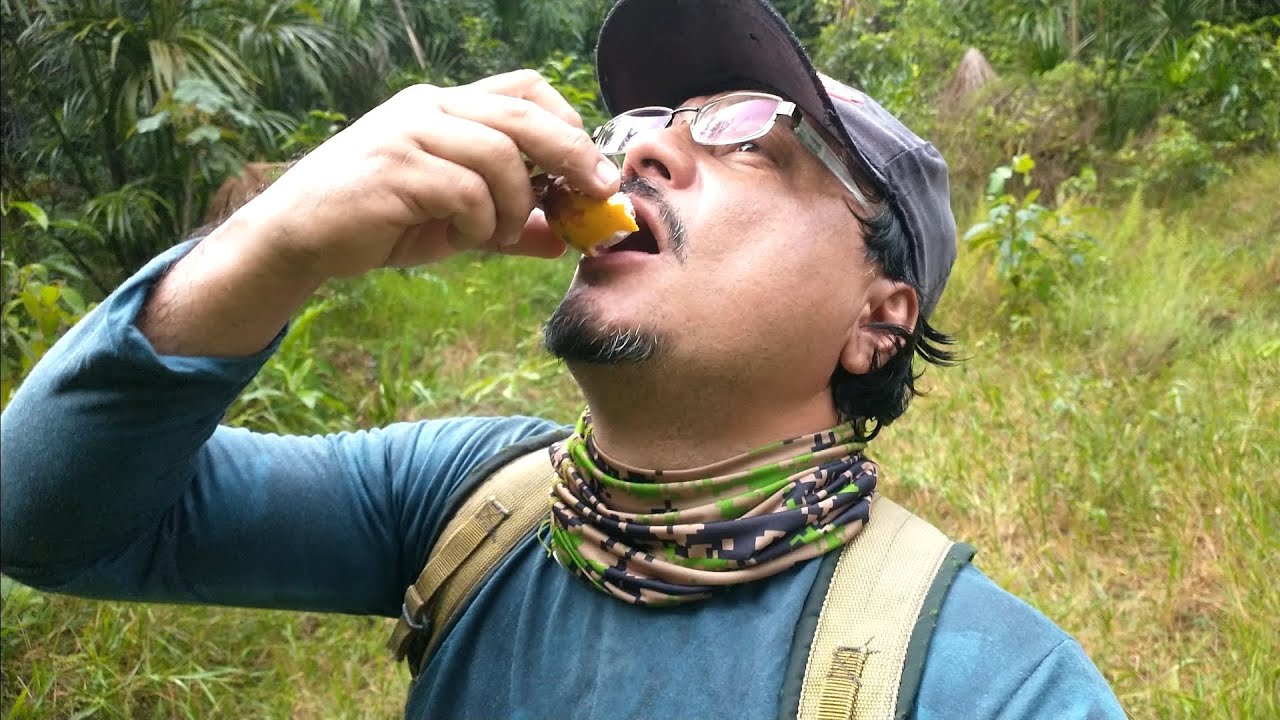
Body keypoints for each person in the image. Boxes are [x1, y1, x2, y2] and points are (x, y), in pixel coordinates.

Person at [0, 0, 1125, 717]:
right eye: (638, 126)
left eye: (746, 133)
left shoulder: (992, 685)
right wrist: (273, 244)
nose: (641, 153)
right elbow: (45, 519)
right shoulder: (460, 504)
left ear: (879, 316)